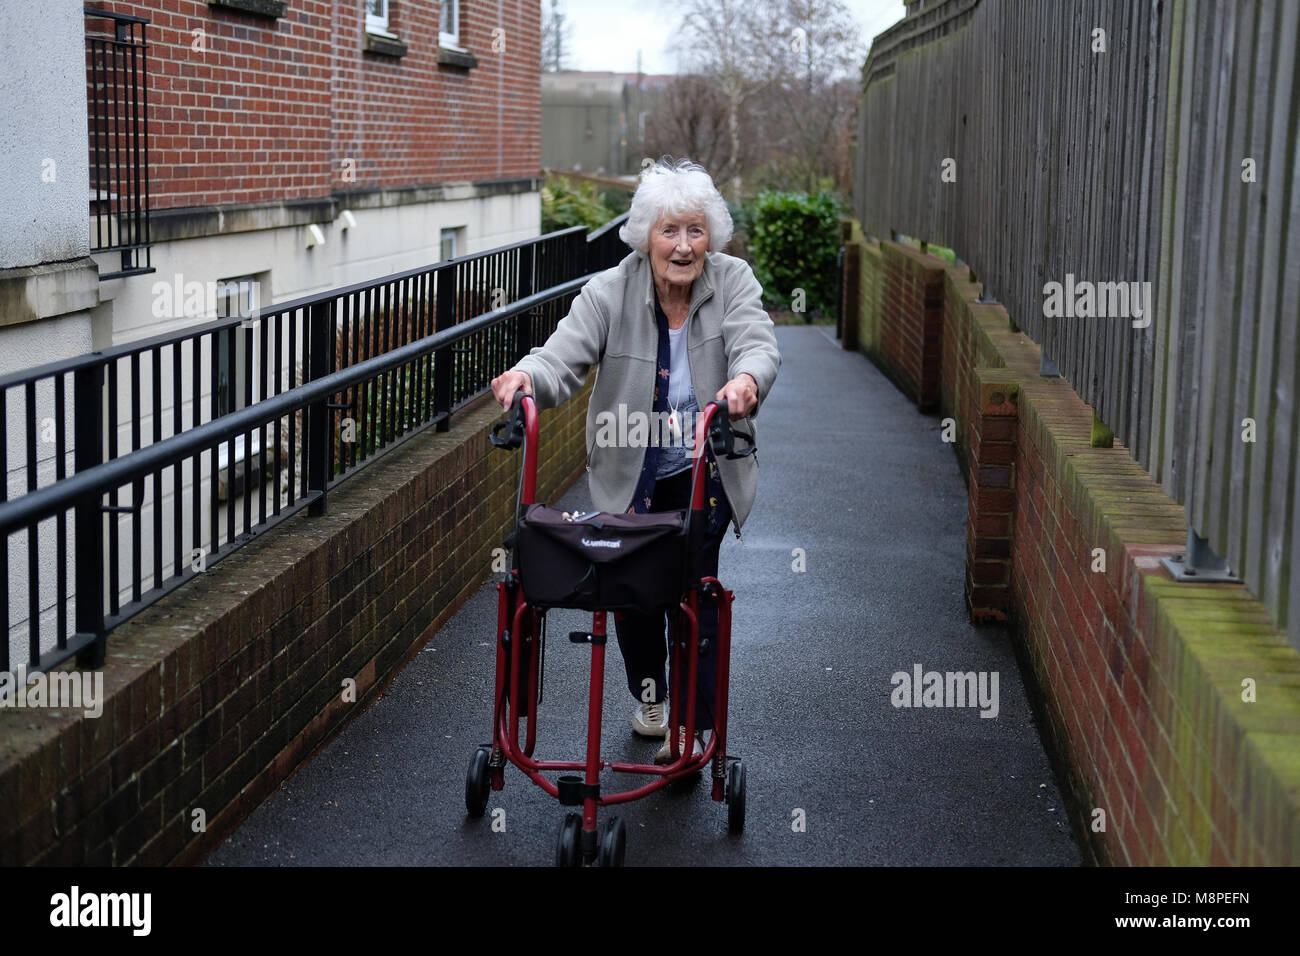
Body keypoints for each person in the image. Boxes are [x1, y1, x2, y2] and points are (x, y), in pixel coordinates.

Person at [490, 158, 780, 763]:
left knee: (694, 592)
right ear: (646, 236)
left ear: (712, 237)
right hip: (632, 475)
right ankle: (651, 693)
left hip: (707, 470)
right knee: (631, 593)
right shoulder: (610, 291)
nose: (682, 246)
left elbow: (756, 340)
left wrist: (746, 382)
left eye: (695, 231)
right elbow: (561, 356)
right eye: (669, 231)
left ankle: (688, 726)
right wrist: (525, 376)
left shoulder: (733, 280)